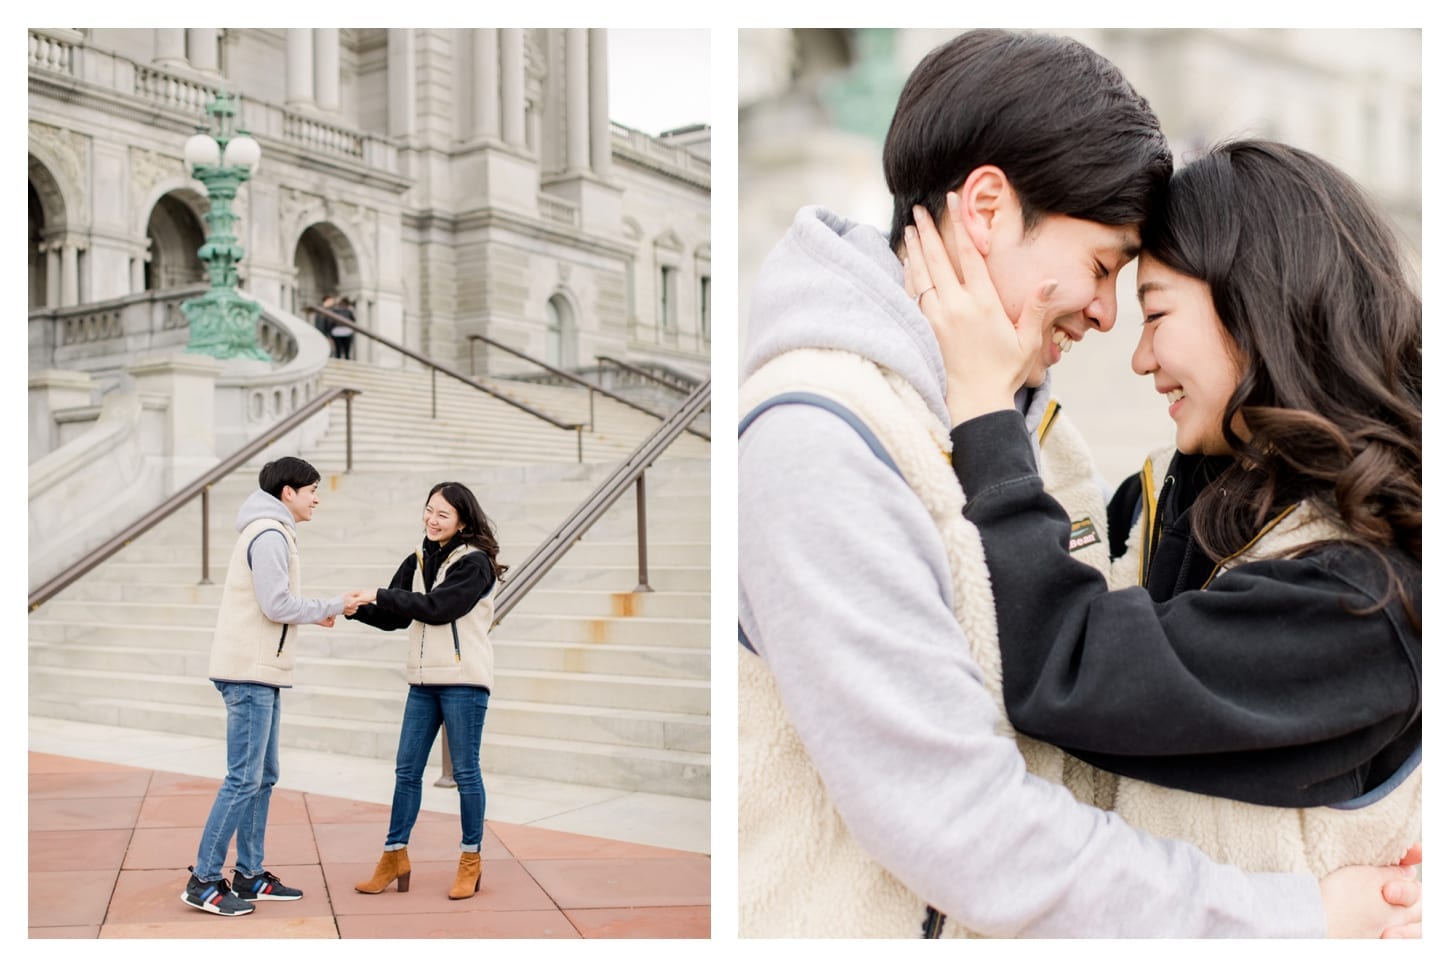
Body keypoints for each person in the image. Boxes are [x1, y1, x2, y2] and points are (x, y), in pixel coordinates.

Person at [737, 28, 1420, 938]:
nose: (1109, 321)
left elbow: (1098, 705)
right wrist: (1295, 916)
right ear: (986, 207)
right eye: (1105, 269)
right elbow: (963, 819)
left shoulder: (1030, 430)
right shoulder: (820, 442)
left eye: (1144, 300)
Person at [906, 138, 1420, 877]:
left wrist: (984, 404)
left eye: (1155, 313)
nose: (1140, 355)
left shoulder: (1367, 599)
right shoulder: (1182, 495)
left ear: (1257, 305)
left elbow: (1069, 665)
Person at [181, 456, 369, 916]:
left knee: (262, 776)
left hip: (261, 669)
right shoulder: (268, 533)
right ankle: (203, 880)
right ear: (289, 492)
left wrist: (315, 612)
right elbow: (275, 603)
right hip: (249, 670)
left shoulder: (273, 530)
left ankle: (248, 874)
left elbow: (278, 604)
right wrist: (333, 605)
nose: (316, 499)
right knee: (244, 778)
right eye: (312, 491)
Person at [347, 481, 506, 900]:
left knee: (466, 774)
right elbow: (394, 615)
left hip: (463, 681)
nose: (432, 521)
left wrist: (381, 594)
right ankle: (393, 856)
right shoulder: (416, 559)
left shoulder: (475, 564)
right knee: (406, 771)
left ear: (463, 521)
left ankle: (470, 860)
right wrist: (351, 609)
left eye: (443, 515)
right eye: (428, 511)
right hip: (422, 682)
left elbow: (439, 609)